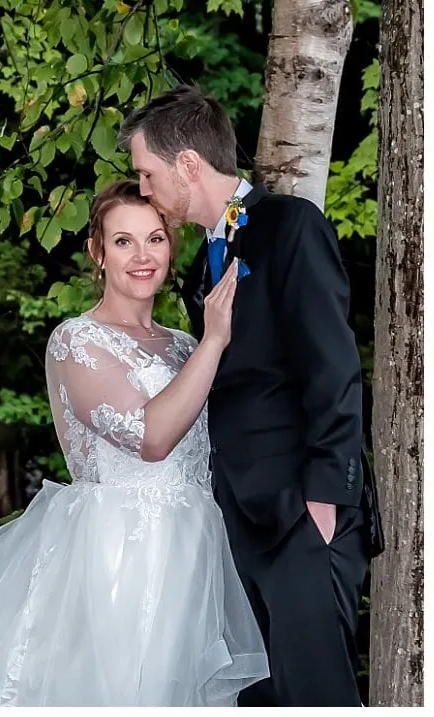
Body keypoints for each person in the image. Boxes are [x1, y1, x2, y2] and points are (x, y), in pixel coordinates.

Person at [0, 180, 268, 706]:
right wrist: (216, 340)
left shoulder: (185, 344)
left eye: (155, 239)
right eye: (123, 241)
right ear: (97, 250)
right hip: (115, 551)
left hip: (193, 549)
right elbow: (152, 438)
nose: (142, 256)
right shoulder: (76, 340)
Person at [120, 85, 383, 707]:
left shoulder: (291, 227)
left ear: (187, 164)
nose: (145, 190)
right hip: (241, 519)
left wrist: (325, 499)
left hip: (301, 514)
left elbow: (333, 368)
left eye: (148, 174)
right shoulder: (210, 256)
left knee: (317, 695)